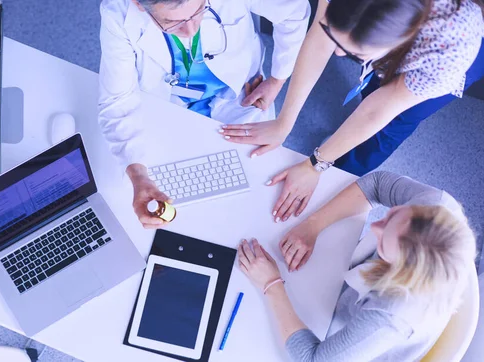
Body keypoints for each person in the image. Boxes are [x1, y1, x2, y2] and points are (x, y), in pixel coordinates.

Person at [221, 0, 484, 223]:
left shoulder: (452, 47)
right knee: (369, 91)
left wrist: (316, 165)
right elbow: (321, 38)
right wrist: (284, 122)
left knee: (390, 127)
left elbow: (380, 110)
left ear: (398, 42)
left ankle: (339, 177)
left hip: (448, 46)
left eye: (353, 53)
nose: (337, 52)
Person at [98, 0, 310, 228]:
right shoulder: (118, 13)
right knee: (152, 199)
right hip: (166, 104)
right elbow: (117, 100)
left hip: (240, 96)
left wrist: (278, 78)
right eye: (172, 23)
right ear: (138, 4)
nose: (192, 30)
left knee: (252, 195)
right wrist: (137, 175)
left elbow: (295, 12)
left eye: (199, 10)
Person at [237, 171, 477, 361]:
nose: (374, 227)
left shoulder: (391, 315)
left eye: (384, 241)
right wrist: (313, 225)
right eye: (391, 215)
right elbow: (377, 184)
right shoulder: (437, 205)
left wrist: (271, 284)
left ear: (402, 270)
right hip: (347, 296)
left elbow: (313, 359)